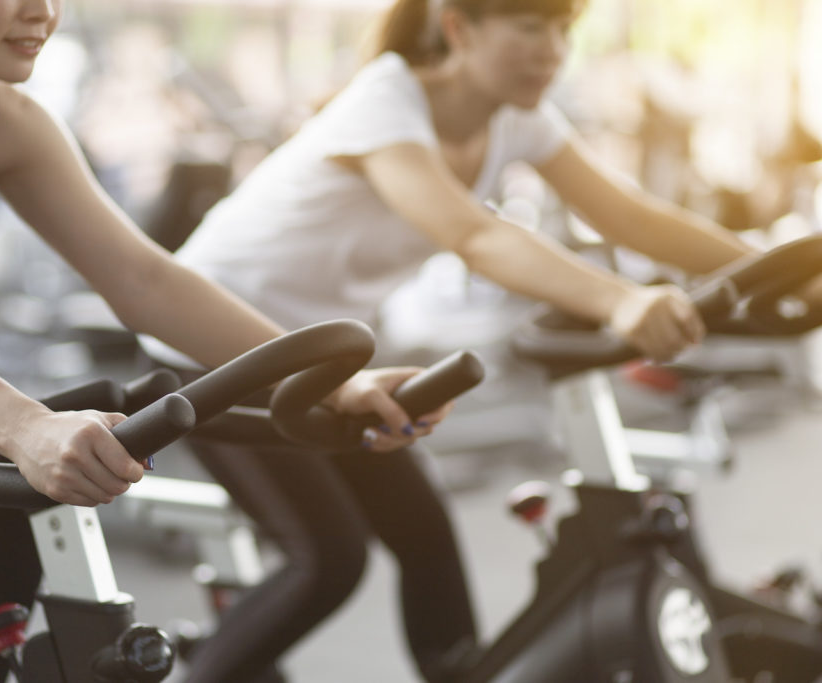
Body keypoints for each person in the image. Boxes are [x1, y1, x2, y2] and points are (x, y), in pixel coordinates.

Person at [145, 0, 822, 681]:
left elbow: (627, 214)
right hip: (212, 345)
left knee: (426, 535)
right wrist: (619, 300)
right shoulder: (385, 101)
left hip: (318, 359)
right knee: (328, 559)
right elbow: (473, 233)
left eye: (563, 32)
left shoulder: (516, 117)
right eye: (530, 28)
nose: (552, 51)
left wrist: (778, 276)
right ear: (459, 27)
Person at [0, 2, 451, 682]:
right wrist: (25, 426)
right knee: (6, 454)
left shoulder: (1, 119)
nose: (42, 11)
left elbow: (144, 279)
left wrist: (337, 380)